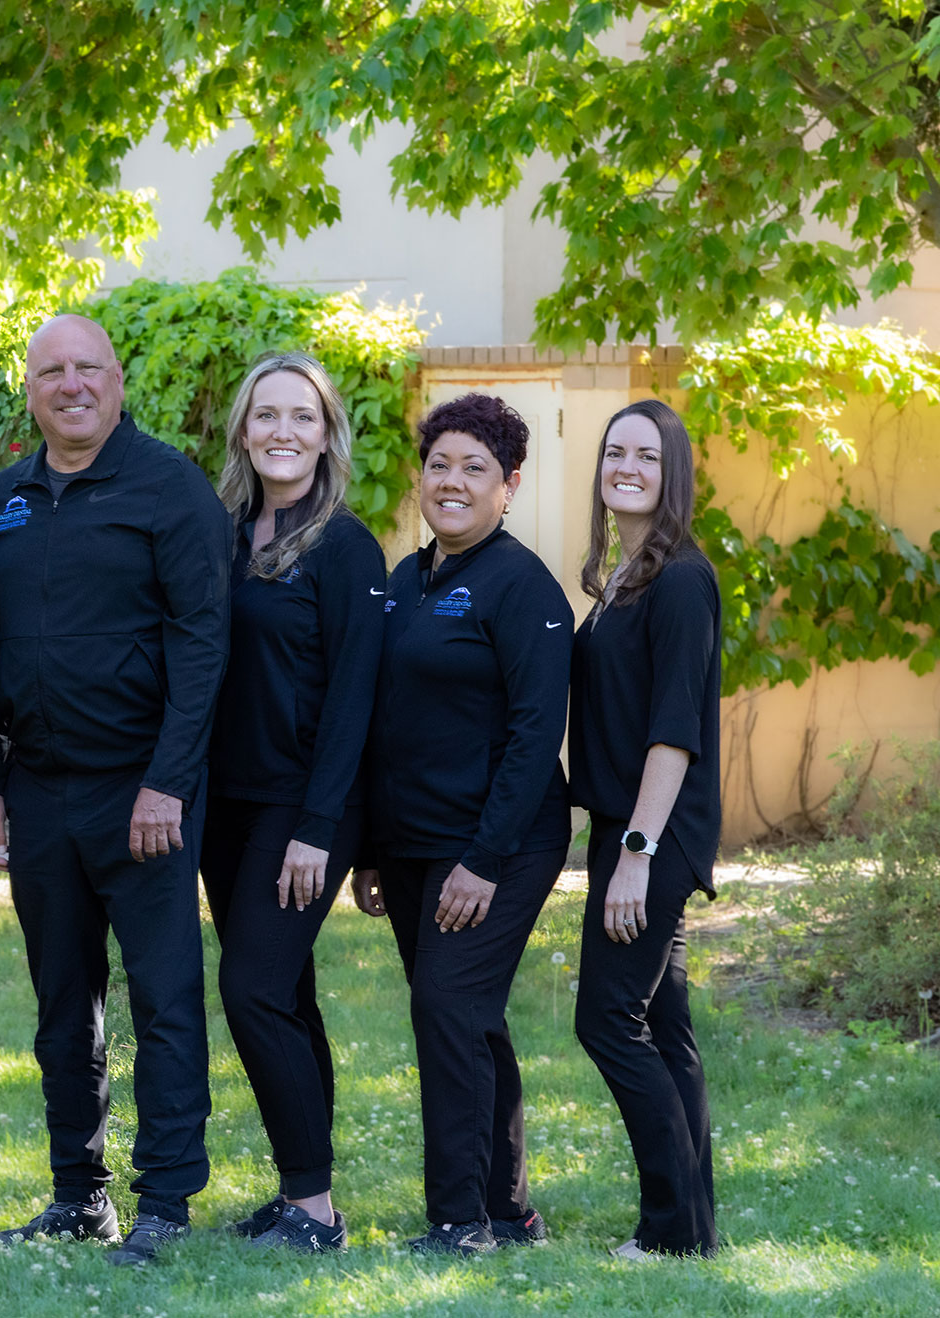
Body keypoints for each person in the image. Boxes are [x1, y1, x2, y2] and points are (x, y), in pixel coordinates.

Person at [0, 313, 232, 1267]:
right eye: (51, 372)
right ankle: (79, 1196)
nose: (70, 385)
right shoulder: (4, 499)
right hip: (39, 791)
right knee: (60, 1001)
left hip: (143, 792)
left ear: (118, 382)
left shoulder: (170, 489)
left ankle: (165, 1200)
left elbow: (205, 645)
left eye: (87, 369)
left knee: (163, 998)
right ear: (30, 389)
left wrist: (169, 781)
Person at [347, 392, 572, 1256]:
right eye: (440, 463)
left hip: (499, 846)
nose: (453, 481)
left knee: (446, 1006)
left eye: (475, 468)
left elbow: (533, 736)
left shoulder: (523, 588)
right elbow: (385, 720)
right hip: (411, 847)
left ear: (508, 486)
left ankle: (458, 1223)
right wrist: (372, 849)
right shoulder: (407, 581)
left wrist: (483, 859)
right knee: (468, 1014)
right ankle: (507, 1212)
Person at [199, 353, 385, 1254]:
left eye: (302, 417)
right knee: (290, 995)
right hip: (225, 806)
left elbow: (356, 697)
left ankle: (314, 1211)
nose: (283, 431)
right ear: (243, 428)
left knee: (252, 989)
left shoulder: (346, 547)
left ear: (326, 433)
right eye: (266, 414)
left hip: (306, 806)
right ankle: (299, 1189)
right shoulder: (221, 533)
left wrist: (319, 830)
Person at [569, 399, 722, 1259]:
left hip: (651, 836)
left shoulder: (679, 580)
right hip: (630, 831)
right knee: (665, 1030)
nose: (627, 466)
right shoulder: (623, 578)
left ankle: (670, 1230)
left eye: (646, 456)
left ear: (672, 476)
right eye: (615, 451)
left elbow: (674, 733)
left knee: (607, 1020)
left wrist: (636, 853)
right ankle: (693, 1226)